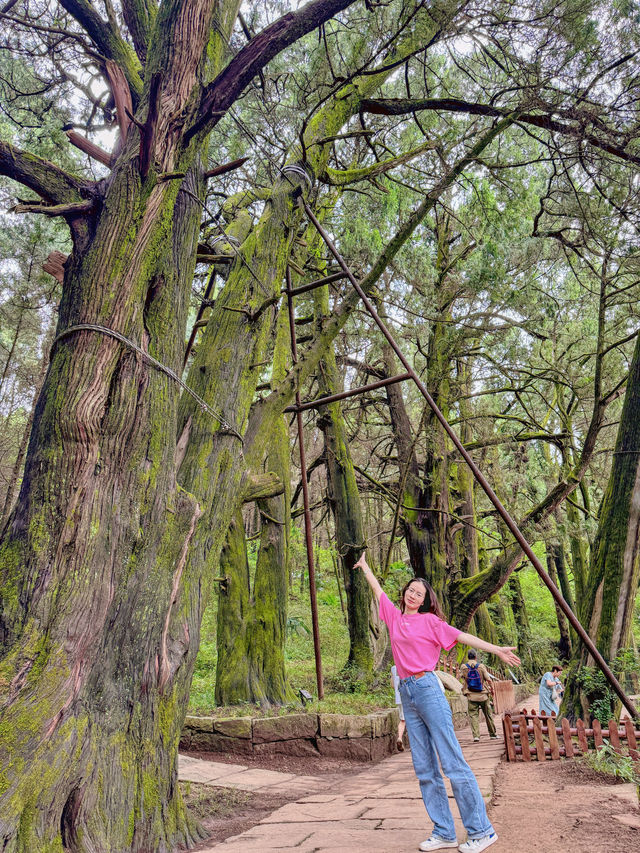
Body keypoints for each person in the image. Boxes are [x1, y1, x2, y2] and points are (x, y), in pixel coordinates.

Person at [355, 552, 521, 853]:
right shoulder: (394, 617)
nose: (413, 594)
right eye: (410, 590)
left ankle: (481, 831)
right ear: (405, 594)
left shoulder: (430, 622)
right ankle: (443, 831)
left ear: (425, 600)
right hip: (407, 692)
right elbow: (378, 590)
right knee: (424, 768)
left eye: (419, 593)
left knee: (451, 760)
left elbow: (462, 637)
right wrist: (366, 567)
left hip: (428, 688)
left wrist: (496, 649)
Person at [461, 650, 497, 742]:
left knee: (473, 716)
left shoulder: (464, 667)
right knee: (488, 715)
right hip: (483, 695)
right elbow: (488, 680)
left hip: (471, 695)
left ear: (468, 657)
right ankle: (493, 734)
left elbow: (462, 678)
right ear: (476, 657)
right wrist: (492, 690)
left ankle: (476, 736)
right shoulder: (481, 666)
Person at [391, 664, 407, 750]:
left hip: (399, 698)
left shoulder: (393, 668)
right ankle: (415, 744)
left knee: (402, 720)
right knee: (414, 721)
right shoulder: (409, 664)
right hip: (410, 696)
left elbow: (392, 685)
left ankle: (400, 738)